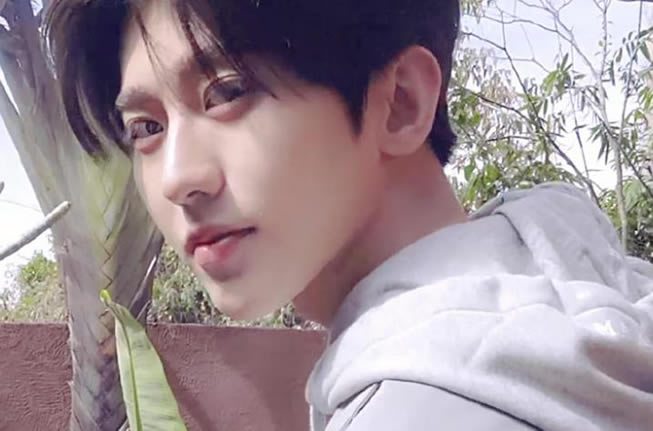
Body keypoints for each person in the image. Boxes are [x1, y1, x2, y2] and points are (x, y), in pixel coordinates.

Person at [45, 1, 653, 430]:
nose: (177, 177)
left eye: (227, 91)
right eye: (146, 128)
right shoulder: (585, 287)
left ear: (401, 102)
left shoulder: (421, 411)